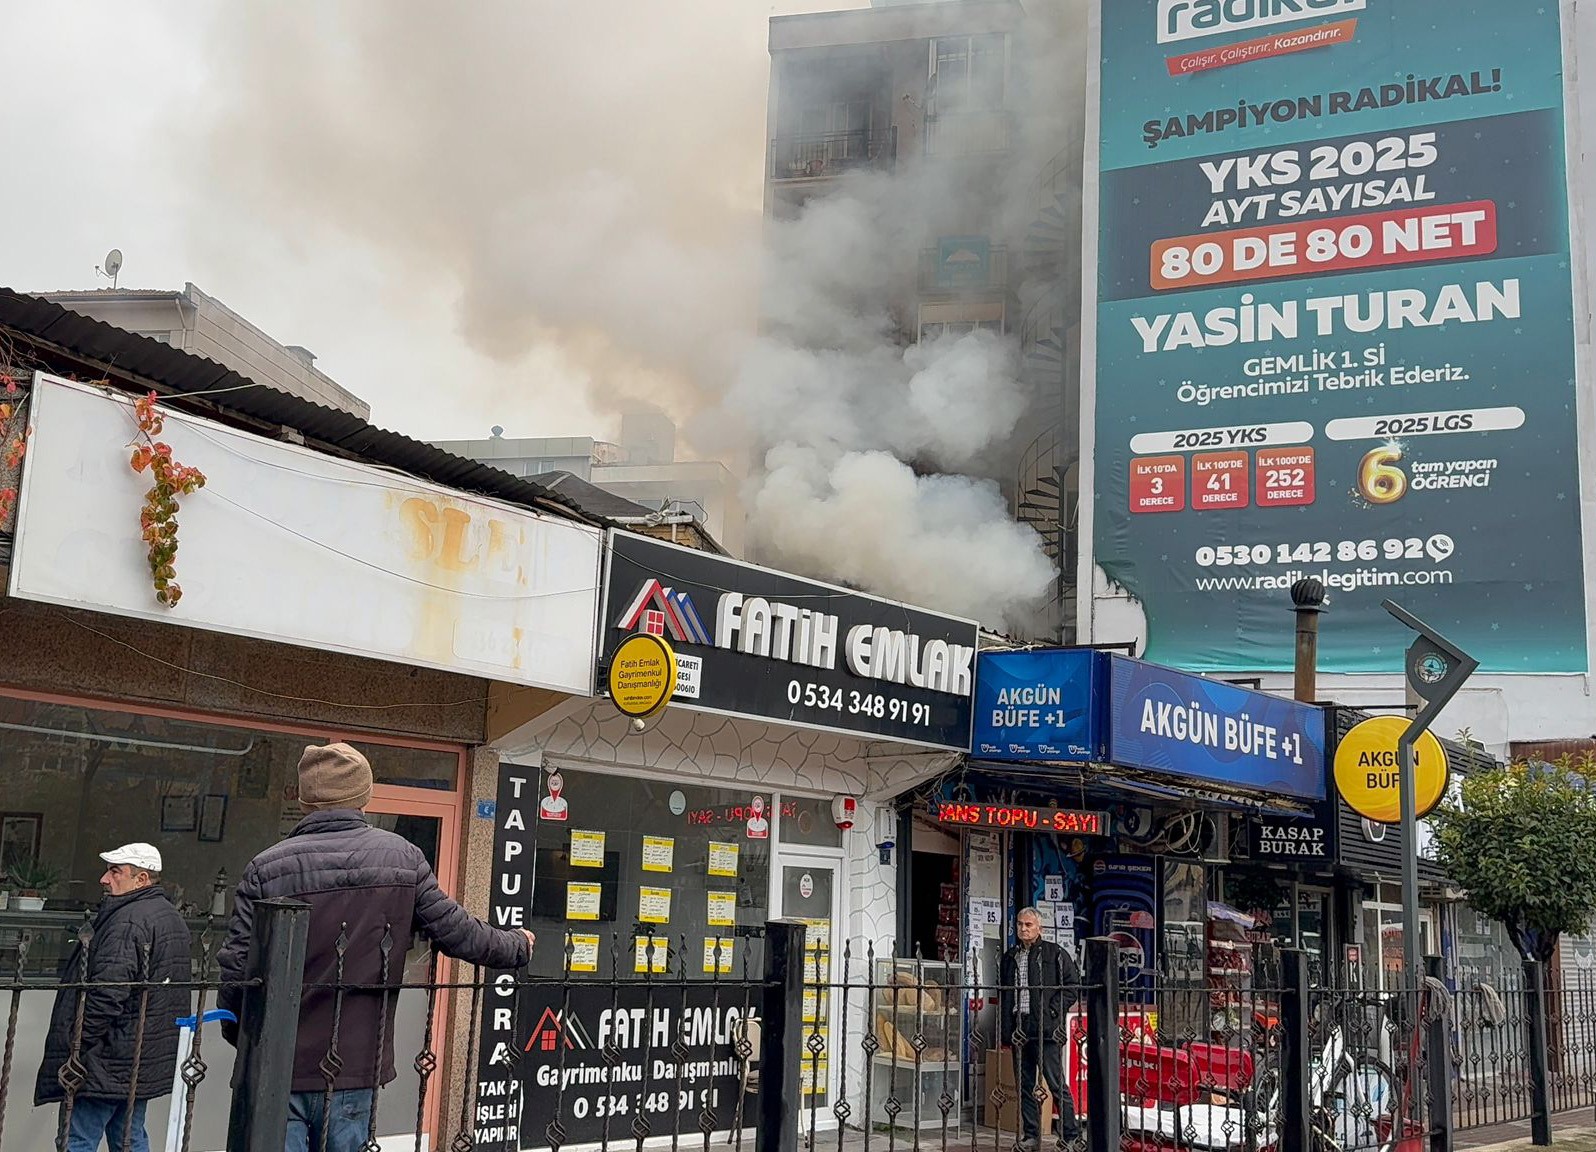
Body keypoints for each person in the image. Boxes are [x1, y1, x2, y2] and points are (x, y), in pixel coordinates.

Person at [218, 743, 535, 1152]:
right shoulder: (402, 858)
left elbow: (237, 970)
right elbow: (457, 931)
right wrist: (516, 945)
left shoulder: (267, 866)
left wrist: (245, 1037)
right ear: (364, 795)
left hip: (276, 1064)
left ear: (304, 800)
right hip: (353, 1063)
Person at [35, 843, 192, 1152]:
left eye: (115, 872)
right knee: (129, 1138)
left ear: (141, 879)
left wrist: (76, 1045)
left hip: (106, 1059)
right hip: (137, 1057)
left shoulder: (128, 920)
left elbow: (107, 994)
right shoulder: (168, 916)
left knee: (76, 1140)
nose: (104, 879)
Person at [999, 907, 1081, 1149]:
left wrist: (1053, 1010)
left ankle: (1070, 1135)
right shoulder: (1010, 957)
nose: (1023, 929)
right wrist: (1006, 1029)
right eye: (1020, 924)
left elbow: (1072, 986)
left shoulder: (1054, 953)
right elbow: (1005, 994)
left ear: (1039, 928)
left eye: (1028, 925)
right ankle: (1031, 1135)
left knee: (1056, 1084)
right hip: (1019, 1025)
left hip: (1045, 1027)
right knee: (1025, 1085)